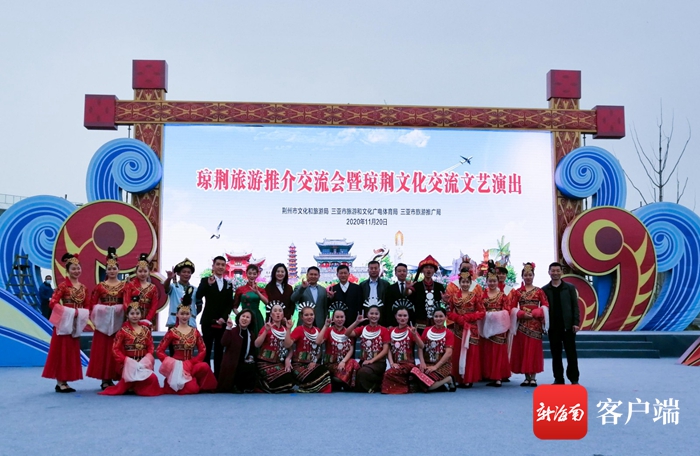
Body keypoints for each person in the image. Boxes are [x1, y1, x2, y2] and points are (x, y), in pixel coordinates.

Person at [42, 253, 90, 393]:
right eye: (73, 268)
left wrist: (81, 313)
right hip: (64, 323)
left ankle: (66, 380)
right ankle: (60, 382)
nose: (76, 271)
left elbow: (87, 305)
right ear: (67, 270)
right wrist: (68, 312)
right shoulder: (63, 286)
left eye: (78, 268)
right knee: (61, 351)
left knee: (70, 352)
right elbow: (53, 303)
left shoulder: (83, 288)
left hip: (75, 324)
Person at [156, 287, 218, 394]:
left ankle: (198, 383)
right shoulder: (172, 332)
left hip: (191, 363)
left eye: (187, 314)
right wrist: (170, 362)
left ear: (190, 315)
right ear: (177, 315)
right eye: (182, 314)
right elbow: (159, 350)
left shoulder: (195, 332)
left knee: (204, 366)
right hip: (176, 365)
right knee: (190, 389)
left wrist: (192, 362)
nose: (184, 316)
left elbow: (203, 350)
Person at [100, 302, 162, 396]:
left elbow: (150, 346)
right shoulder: (123, 331)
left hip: (143, 364)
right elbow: (115, 349)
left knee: (153, 379)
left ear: (141, 315)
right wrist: (125, 360)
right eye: (132, 313)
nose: (135, 316)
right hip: (129, 365)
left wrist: (147, 358)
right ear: (127, 315)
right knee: (127, 385)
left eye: (137, 313)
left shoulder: (146, 330)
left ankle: (137, 386)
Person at [87, 247, 127, 390]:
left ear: (118, 269)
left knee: (117, 350)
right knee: (104, 351)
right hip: (103, 324)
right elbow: (92, 304)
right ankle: (105, 379)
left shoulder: (124, 286)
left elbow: (127, 303)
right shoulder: (100, 286)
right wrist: (101, 312)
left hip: (118, 322)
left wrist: (120, 311)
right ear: (106, 270)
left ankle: (117, 377)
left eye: (114, 268)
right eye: (109, 268)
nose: (112, 271)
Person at [509, 263, 549, 387]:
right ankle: (526, 377)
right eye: (525, 275)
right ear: (522, 276)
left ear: (533, 276)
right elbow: (511, 307)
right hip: (522, 325)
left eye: (530, 275)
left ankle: (533, 378)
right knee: (523, 350)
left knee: (534, 351)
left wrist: (537, 312)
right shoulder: (517, 292)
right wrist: (520, 313)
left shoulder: (539, 291)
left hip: (535, 325)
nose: (528, 277)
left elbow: (546, 305)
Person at [444, 272, 485, 388]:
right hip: (458, 328)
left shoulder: (475, 296)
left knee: (470, 353)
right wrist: (457, 318)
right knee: (457, 352)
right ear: (459, 283)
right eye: (463, 282)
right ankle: (459, 378)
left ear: (470, 283)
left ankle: (468, 378)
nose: (465, 284)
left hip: (471, 328)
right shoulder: (454, 296)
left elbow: (482, 312)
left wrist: (469, 317)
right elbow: (448, 312)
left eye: (467, 282)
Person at [542, 262, 580, 385]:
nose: (555, 273)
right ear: (549, 272)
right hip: (553, 327)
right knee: (556, 354)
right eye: (553, 271)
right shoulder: (544, 290)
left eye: (558, 271)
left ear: (562, 272)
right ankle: (558, 378)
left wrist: (575, 323)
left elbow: (575, 306)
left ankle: (574, 378)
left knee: (571, 354)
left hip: (568, 326)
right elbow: (543, 309)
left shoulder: (569, 288)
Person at [196, 255, 234, 378]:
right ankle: (206, 377)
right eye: (218, 264)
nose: (220, 267)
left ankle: (218, 377)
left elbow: (229, 304)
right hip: (208, 321)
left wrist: (224, 318)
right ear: (213, 266)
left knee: (219, 350)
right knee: (206, 350)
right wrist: (208, 284)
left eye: (223, 265)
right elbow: (198, 295)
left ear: (225, 267)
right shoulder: (206, 280)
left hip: (222, 322)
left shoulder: (228, 284)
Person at [380, 300, 424, 394]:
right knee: (388, 374)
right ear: (395, 316)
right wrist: (392, 363)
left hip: (408, 364)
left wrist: (415, 335)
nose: (402, 318)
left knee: (389, 374)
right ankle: (409, 384)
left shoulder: (411, 331)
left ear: (408, 317)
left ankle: (406, 386)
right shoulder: (391, 331)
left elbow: (421, 346)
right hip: (396, 364)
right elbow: (388, 350)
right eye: (400, 315)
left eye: (405, 316)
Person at [288, 304, 332, 393]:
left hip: (312, 364)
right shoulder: (298, 329)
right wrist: (288, 329)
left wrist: (314, 361)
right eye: (306, 315)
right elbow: (288, 345)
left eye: (311, 314)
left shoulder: (317, 330)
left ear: (314, 316)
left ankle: (309, 387)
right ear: (301, 317)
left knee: (326, 371)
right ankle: (306, 387)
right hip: (299, 365)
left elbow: (319, 348)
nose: (309, 317)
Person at [345, 305, 389, 393]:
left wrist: (371, 360)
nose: (374, 316)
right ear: (367, 315)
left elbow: (385, 350)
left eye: (376, 314)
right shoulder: (363, 329)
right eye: (371, 313)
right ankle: (375, 384)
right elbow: (347, 333)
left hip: (378, 363)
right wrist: (357, 322)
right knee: (353, 375)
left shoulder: (384, 330)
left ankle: (376, 384)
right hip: (364, 361)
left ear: (379, 315)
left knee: (362, 372)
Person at [479, 268, 512, 387]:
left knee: (498, 351)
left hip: (499, 327)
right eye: (490, 281)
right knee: (487, 350)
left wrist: (495, 315)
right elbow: (479, 308)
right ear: (486, 282)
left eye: (494, 281)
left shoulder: (503, 296)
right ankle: (489, 374)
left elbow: (507, 310)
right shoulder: (482, 295)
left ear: (498, 282)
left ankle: (498, 377)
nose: (492, 283)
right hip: (486, 325)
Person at [316, 302, 359, 390]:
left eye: (342, 317)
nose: (340, 319)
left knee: (353, 363)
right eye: (337, 317)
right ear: (333, 318)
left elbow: (351, 349)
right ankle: (338, 381)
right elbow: (318, 342)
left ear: (345, 318)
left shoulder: (348, 331)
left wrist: (343, 361)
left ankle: (342, 382)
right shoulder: (329, 330)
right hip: (331, 364)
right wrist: (325, 326)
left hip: (344, 362)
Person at [254, 302, 296, 393]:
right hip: (265, 362)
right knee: (284, 381)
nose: (277, 313)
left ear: (283, 315)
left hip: (278, 363)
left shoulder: (285, 329)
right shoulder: (266, 327)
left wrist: (287, 359)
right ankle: (261, 384)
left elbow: (289, 347)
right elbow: (257, 344)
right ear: (271, 314)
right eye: (275, 311)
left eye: (280, 311)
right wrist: (266, 331)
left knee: (291, 379)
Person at [217, 309, 257, 393]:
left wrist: (250, 358)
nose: (245, 318)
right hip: (232, 363)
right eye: (243, 316)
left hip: (244, 362)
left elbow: (252, 349)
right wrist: (228, 328)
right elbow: (223, 343)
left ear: (251, 321)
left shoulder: (251, 334)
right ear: (239, 318)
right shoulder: (232, 331)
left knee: (252, 366)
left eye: (247, 317)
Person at [416, 307, 456, 392]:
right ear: (433, 317)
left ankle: (448, 379)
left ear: (445, 317)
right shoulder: (427, 330)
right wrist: (422, 362)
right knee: (413, 374)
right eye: (436, 316)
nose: (438, 319)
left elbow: (449, 353)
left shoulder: (449, 333)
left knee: (428, 386)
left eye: (441, 316)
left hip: (442, 365)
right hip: (427, 363)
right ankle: (439, 385)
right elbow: (420, 347)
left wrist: (435, 367)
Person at [408, 255, 445, 330]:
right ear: (422, 270)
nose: (428, 270)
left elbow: (445, 302)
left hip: (436, 322)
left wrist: (445, 300)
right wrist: (407, 288)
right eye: (426, 267)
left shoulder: (439, 286)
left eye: (431, 268)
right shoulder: (416, 286)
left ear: (434, 271)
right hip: (420, 323)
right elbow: (407, 294)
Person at [233, 264, 268, 337]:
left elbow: (267, 302)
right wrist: (240, 316)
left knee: (257, 337)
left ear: (257, 275)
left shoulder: (261, 290)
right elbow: (234, 307)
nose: (252, 276)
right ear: (246, 274)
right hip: (244, 317)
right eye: (250, 273)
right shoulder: (240, 289)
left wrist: (257, 292)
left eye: (254, 274)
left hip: (257, 317)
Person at [126, 253, 160, 325]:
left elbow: (154, 306)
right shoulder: (130, 285)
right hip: (132, 318)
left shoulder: (153, 288)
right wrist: (131, 316)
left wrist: (147, 320)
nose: (143, 274)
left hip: (147, 320)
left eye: (145, 271)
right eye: (140, 271)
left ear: (149, 272)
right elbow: (126, 302)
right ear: (136, 272)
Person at [164, 258, 198, 328]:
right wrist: (169, 278)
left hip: (190, 323)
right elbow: (166, 287)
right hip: (174, 323)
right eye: (184, 272)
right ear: (178, 273)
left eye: (188, 272)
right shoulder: (174, 287)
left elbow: (199, 305)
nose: (186, 274)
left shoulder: (195, 289)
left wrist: (192, 314)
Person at [383, 263, 410, 327]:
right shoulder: (390, 288)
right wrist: (389, 324)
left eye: (404, 271)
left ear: (407, 273)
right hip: (394, 322)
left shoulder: (412, 287)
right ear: (395, 273)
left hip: (409, 322)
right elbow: (388, 307)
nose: (402, 273)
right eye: (399, 271)